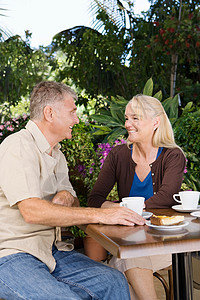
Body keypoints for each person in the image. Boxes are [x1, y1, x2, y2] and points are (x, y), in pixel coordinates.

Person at [0, 81, 146, 300]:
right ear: (49, 113)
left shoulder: (58, 155)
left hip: (51, 251)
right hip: (13, 255)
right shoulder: (18, 146)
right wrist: (102, 214)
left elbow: (74, 205)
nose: (76, 120)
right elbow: (32, 211)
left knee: (113, 281)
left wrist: (68, 197)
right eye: (72, 113)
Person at [88, 94, 186, 300]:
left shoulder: (173, 156)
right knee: (128, 258)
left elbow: (167, 197)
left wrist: (124, 210)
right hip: (129, 243)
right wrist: (118, 210)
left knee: (121, 266)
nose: (127, 124)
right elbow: (95, 199)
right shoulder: (117, 155)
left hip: (164, 244)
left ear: (155, 122)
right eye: (126, 118)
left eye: (135, 118)